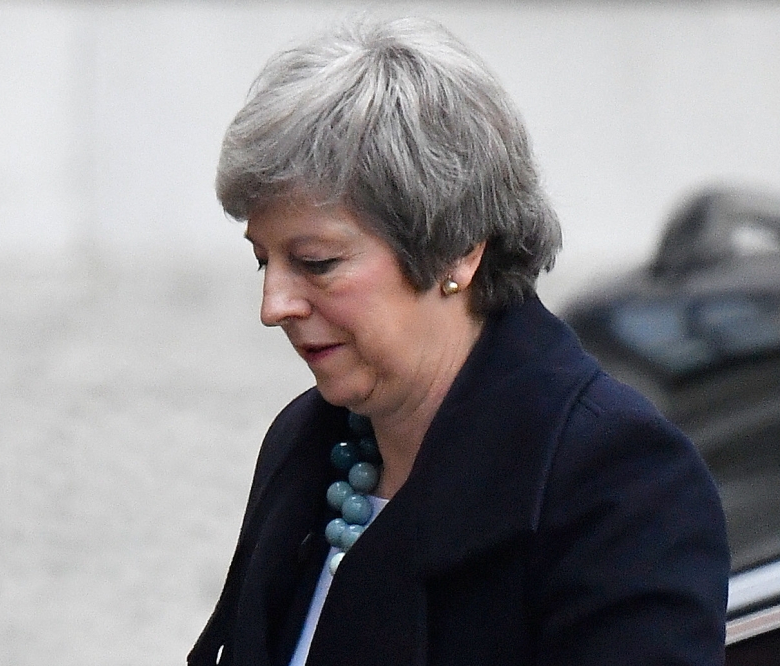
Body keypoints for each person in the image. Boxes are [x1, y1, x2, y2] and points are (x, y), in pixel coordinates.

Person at [189, 16, 729, 666]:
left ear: (456, 251)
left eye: (317, 262)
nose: (274, 306)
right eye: (262, 261)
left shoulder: (619, 484)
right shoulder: (307, 444)